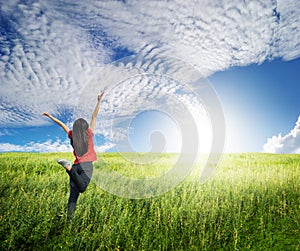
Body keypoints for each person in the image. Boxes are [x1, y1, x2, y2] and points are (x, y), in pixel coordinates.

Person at [42, 92, 104, 221]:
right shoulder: (89, 133)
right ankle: (68, 167)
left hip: (76, 166)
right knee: (82, 188)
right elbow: (94, 116)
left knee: (73, 196)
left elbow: (61, 124)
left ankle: (69, 221)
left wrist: (50, 116)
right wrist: (99, 101)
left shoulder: (72, 135)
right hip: (86, 166)